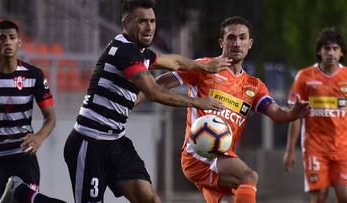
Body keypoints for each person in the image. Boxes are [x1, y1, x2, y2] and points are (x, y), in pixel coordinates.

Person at [63, 0, 230, 203]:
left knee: (150, 199)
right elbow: (153, 92)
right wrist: (197, 102)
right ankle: (25, 195)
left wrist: (204, 67)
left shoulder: (139, 51)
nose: (149, 27)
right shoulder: (125, 52)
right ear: (125, 24)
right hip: (89, 143)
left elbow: (174, 61)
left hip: (116, 142)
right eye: (142, 21)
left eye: (152, 21)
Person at [142, 16, 311, 203]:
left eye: (242, 37)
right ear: (221, 42)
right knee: (249, 176)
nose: (237, 43)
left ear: (250, 43)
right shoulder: (205, 67)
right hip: (199, 154)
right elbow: (160, 83)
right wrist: (132, 100)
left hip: (221, 159)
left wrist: (293, 113)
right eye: (231, 38)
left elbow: (277, 113)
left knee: (238, 193)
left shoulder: (254, 86)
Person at [0, 19, 56, 201]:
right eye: (2, 38)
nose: (7, 42)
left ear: (19, 42)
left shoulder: (33, 75)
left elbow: (50, 117)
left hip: (22, 154)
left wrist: (39, 137)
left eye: (12, 38)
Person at [283, 27, 347, 203]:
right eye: (327, 48)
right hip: (315, 147)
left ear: (341, 53)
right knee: (319, 197)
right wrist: (290, 150)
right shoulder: (304, 77)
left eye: (335, 49)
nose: (331, 53)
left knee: (344, 195)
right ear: (319, 51)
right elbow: (294, 116)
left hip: (343, 148)